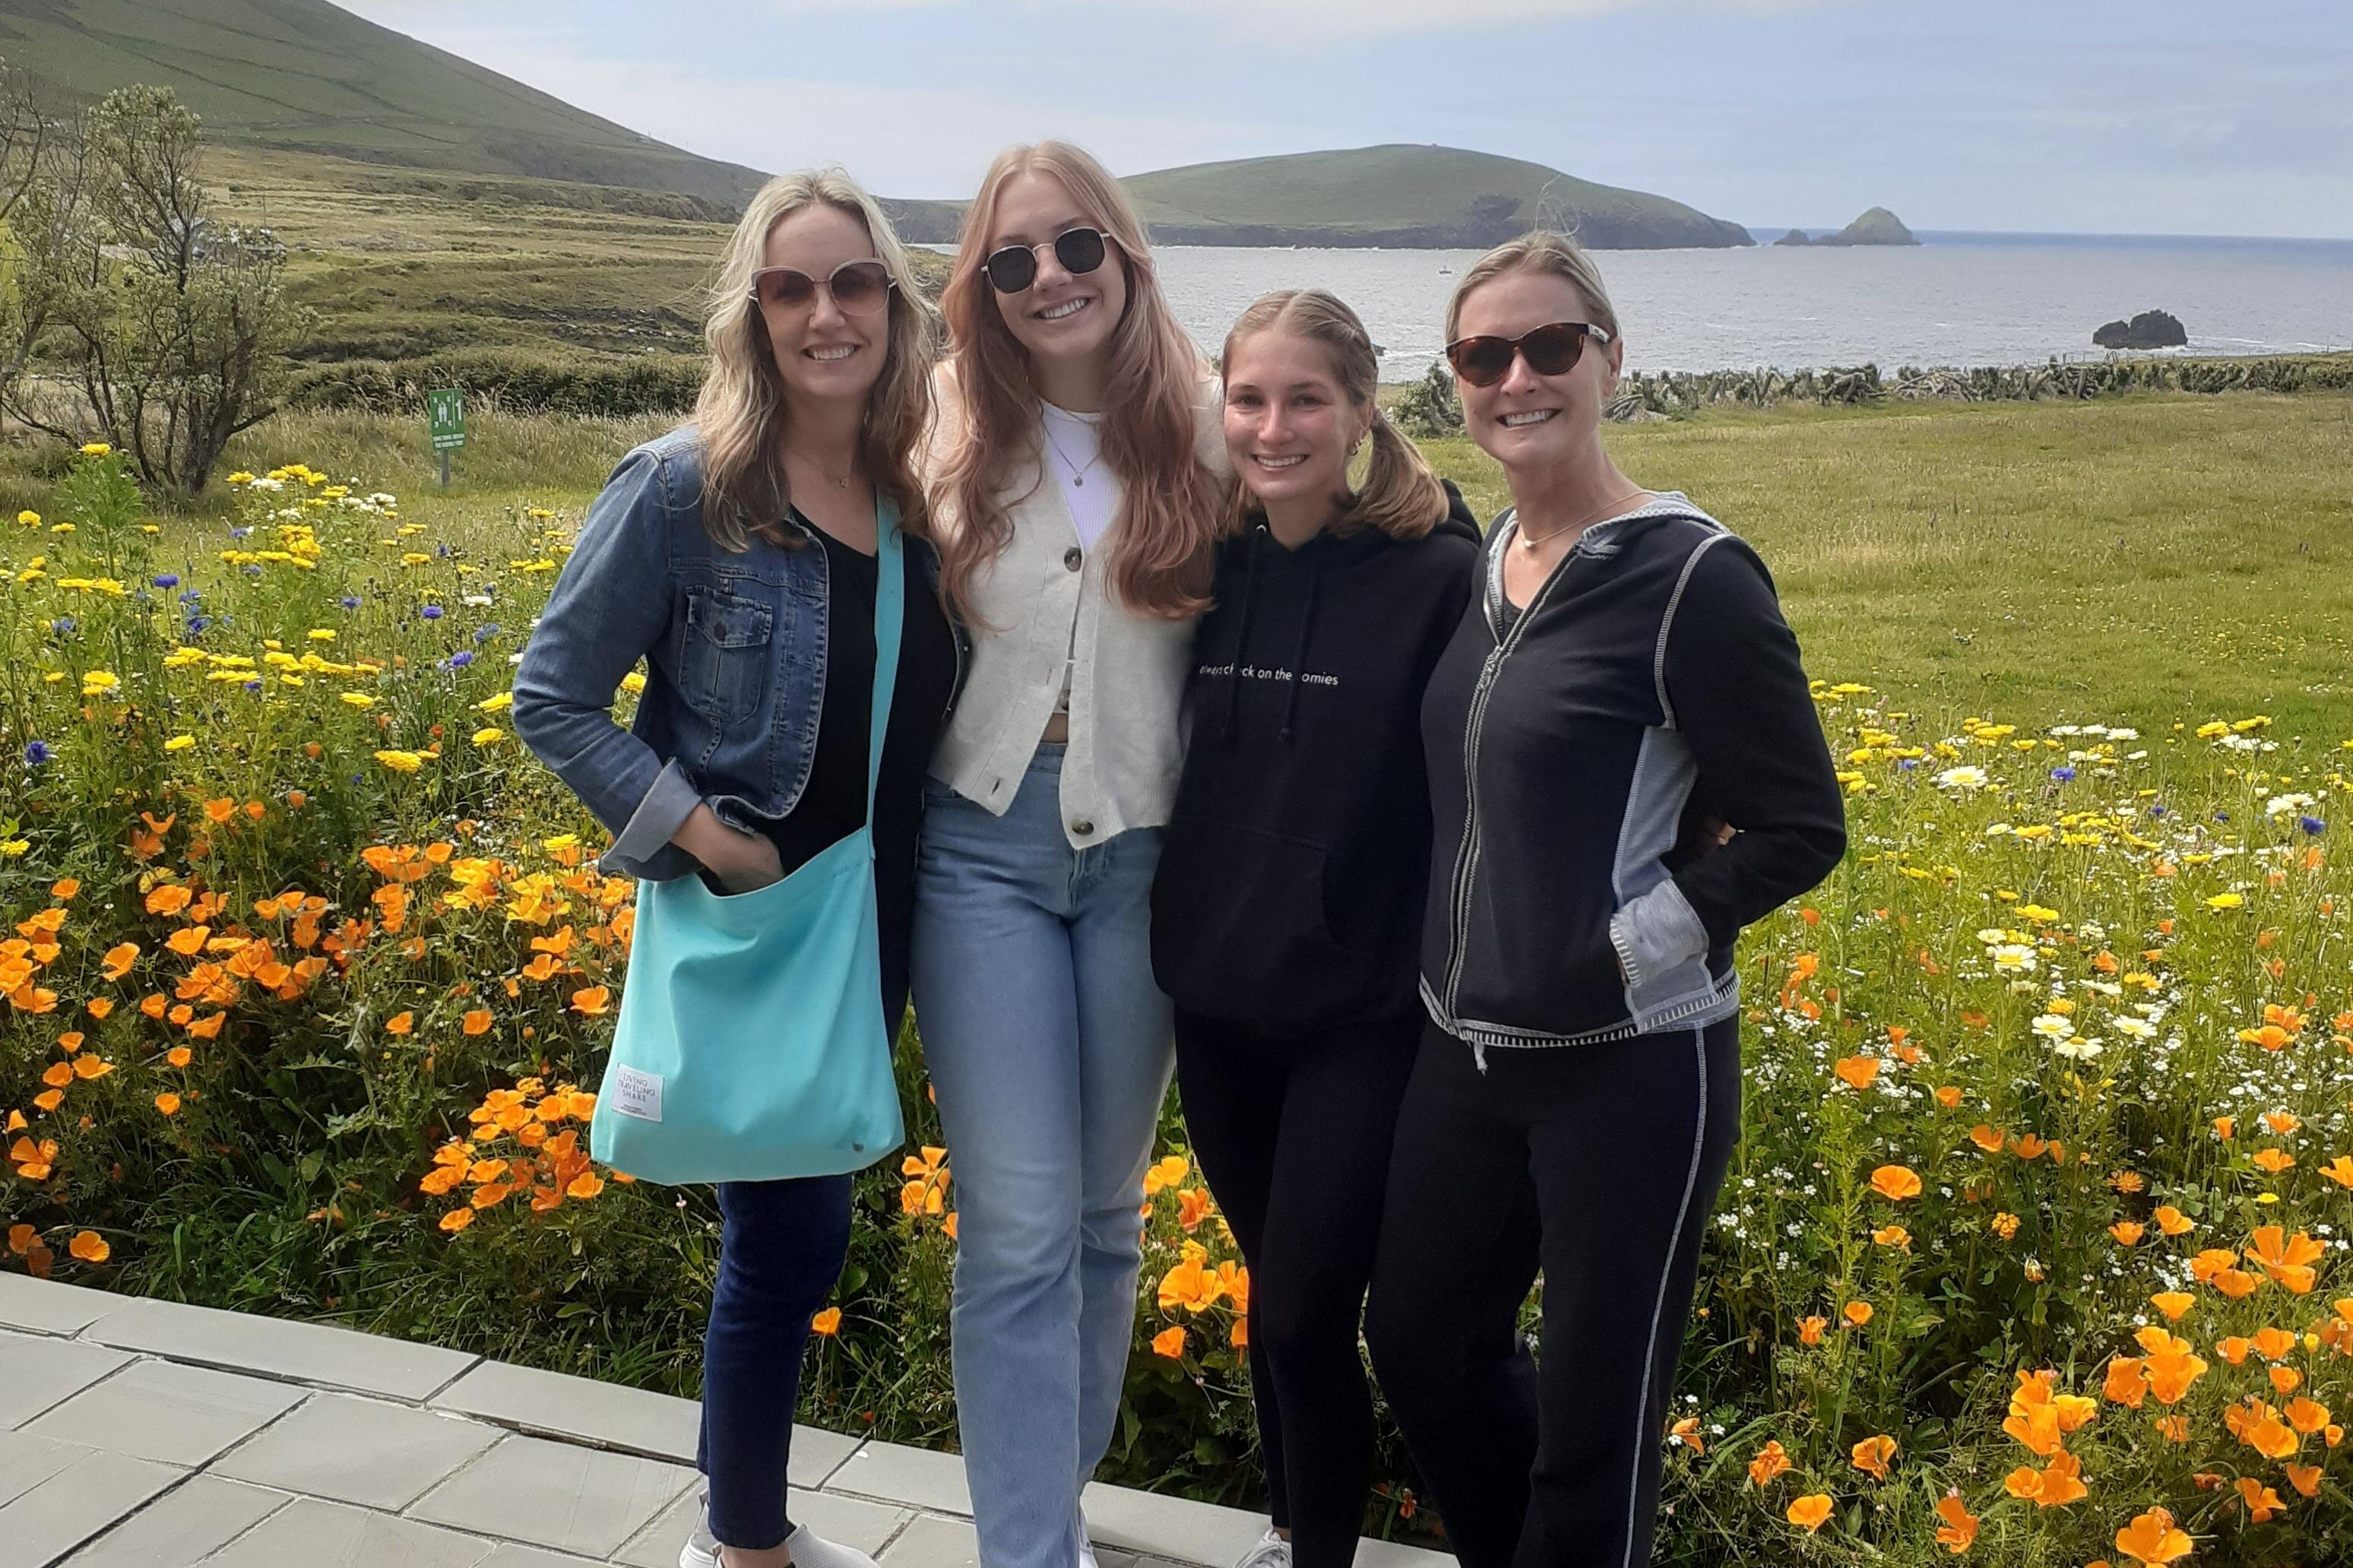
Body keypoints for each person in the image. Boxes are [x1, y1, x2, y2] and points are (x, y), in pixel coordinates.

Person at [1362, 232, 1847, 1568]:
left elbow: (1803, 826)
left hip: (1630, 1067)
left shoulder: (1694, 576)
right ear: (1456, 382)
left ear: (1611, 359)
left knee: (1597, 1423)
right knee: (1420, 1343)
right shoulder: (1491, 556)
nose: (1517, 377)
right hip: (1463, 1054)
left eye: (1550, 346)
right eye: (1483, 355)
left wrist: (1628, 945)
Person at [512, 169, 959, 1568]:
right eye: (791, 288)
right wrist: (705, 836)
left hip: (879, 917)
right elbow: (550, 696)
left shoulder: (912, 494)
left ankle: (739, 1525)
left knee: (797, 1231)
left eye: (853, 283)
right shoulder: (680, 488)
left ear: (893, 304)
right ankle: (742, 1545)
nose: (827, 314)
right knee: (788, 1240)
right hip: (762, 921)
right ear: (753, 315)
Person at [910, 139, 1224, 1568]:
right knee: (1020, 1227)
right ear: (981, 286)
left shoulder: (1209, 426)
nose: (1049, 278)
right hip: (980, 854)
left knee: (1105, 1219)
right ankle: (1028, 1554)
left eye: (1075, 246)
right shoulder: (940, 423)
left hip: (1145, 858)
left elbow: (1344, 522)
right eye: (1012, 260)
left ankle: (1055, 1511)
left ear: (1124, 255)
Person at [1149, 290, 1479, 1568]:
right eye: (1249, 399)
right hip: (1216, 1000)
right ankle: (1293, 1530)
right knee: (1269, 1298)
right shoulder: (1208, 565)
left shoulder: (1438, 578)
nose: (1273, 427)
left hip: (1360, 1014)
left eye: (1306, 400)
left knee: (1302, 1314)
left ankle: (1317, 1551)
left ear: (1360, 414)